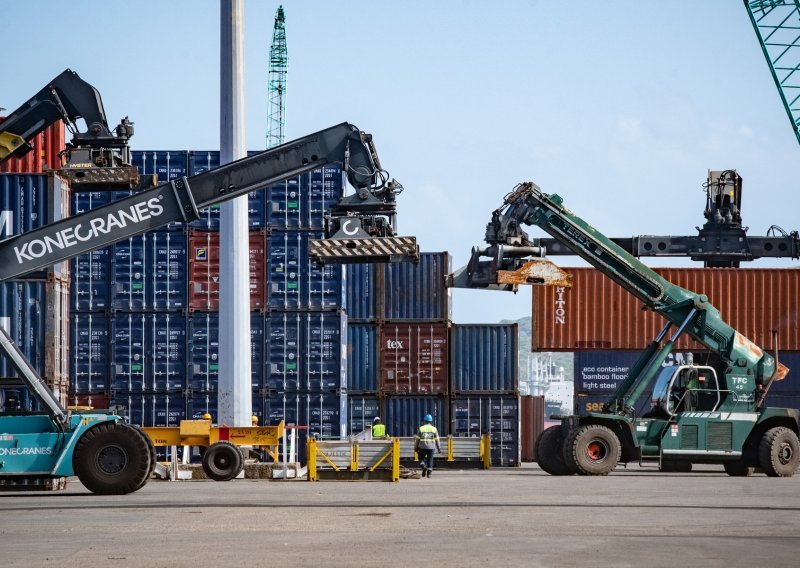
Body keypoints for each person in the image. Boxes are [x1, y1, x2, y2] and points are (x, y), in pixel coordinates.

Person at [414, 414, 441, 478]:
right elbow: (437, 439)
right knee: (430, 460)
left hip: (423, 447)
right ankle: (429, 474)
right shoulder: (434, 429)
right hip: (432, 447)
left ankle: (423, 467)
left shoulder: (421, 428)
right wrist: (439, 448)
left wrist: (416, 447)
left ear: (424, 421)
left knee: (420, 458)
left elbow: (417, 439)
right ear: (431, 421)